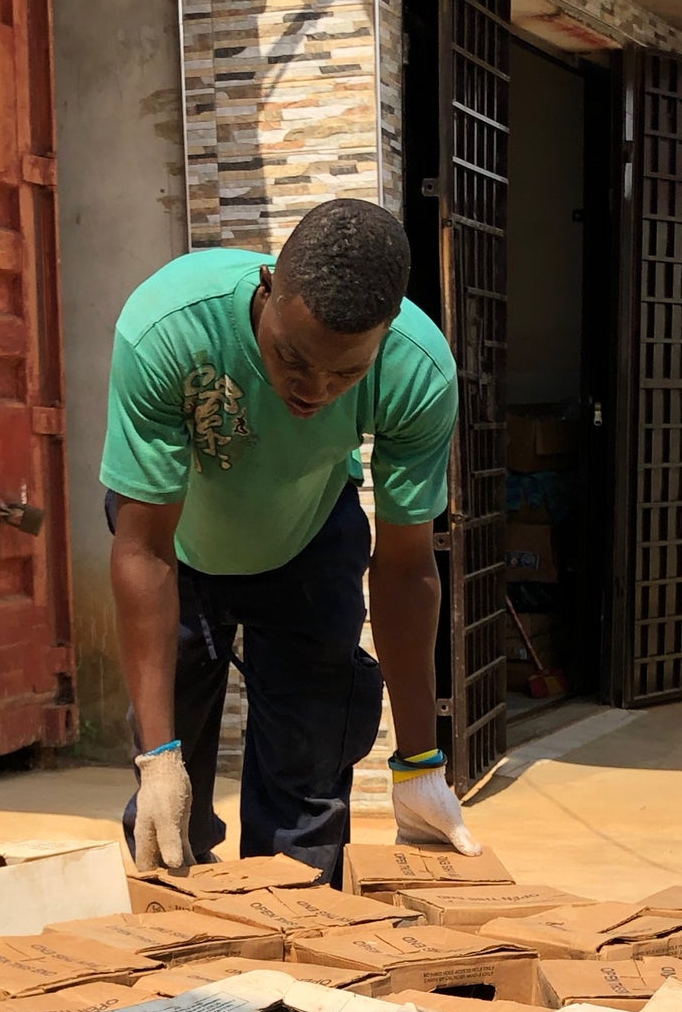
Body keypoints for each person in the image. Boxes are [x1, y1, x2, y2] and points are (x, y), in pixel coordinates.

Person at [101, 198, 481, 882]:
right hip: (175, 549)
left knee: (307, 777)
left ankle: (293, 958)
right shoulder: (168, 329)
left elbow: (404, 569)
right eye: (291, 358)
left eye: (347, 375)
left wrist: (419, 763)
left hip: (307, 539)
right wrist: (157, 756)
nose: (313, 391)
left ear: (387, 333)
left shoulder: (419, 374)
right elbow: (142, 549)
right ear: (268, 286)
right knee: (166, 806)